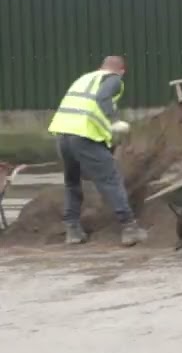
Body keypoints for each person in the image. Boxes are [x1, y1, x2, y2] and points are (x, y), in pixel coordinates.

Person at [48, 56, 148, 246]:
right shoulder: (114, 80)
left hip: (62, 135)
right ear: (122, 71)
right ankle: (129, 228)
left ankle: (73, 230)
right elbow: (102, 97)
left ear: (101, 67)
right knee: (110, 179)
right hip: (84, 136)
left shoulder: (85, 79)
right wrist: (114, 121)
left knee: (72, 182)